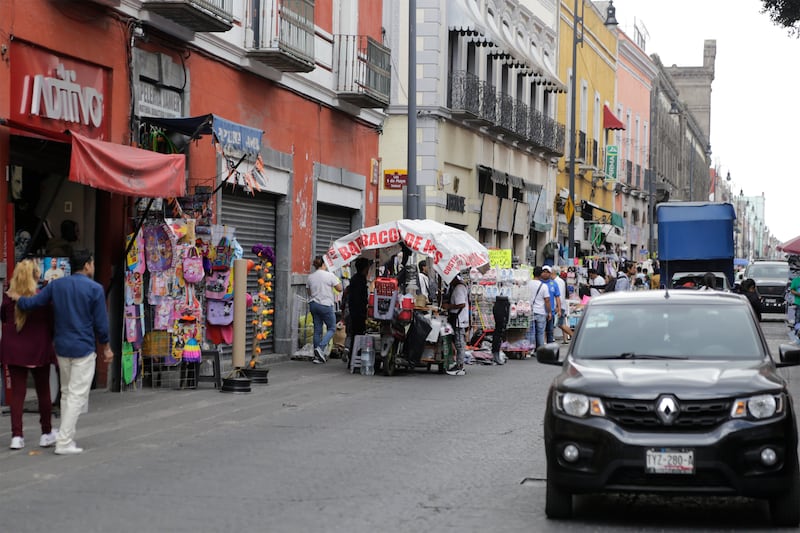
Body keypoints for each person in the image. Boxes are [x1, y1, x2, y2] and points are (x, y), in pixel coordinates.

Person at [14, 249, 113, 455]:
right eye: (92, 263)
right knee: (77, 395)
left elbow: (34, 303)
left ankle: (65, 435)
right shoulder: (95, 289)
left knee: (67, 392)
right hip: (83, 347)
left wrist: (18, 298)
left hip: (61, 346)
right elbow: (101, 325)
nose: (93, 267)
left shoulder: (56, 285)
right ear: (87, 265)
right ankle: (65, 441)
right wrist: (106, 347)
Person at [1, 259, 58, 450]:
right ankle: (46, 433)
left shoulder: (8, 297)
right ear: (35, 276)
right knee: (43, 391)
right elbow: (52, 322)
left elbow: (3, 316)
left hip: (14, 349)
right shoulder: (42, 297)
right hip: (39, 348)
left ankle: (17, 436)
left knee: (18, 394)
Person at [306, 256, 342, 364]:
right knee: (332, 327)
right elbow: (339, 288)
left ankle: (317, 356)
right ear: (324, 264)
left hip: (313, 304)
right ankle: (320, 348)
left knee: (317, 329)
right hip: (325, 305)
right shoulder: (330, 275)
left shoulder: (310, 277)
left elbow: (309, 292)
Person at [442, 274, 469, 376]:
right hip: (458, 317)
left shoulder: (459, 288)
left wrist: (448, 306)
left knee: (459, 342)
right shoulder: (457, 287)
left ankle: (460, 366)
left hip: (459, 318)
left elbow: (461, 304)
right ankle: (458, 364)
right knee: (458, 341)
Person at [345, 257, 370, 360]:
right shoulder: (359, 280)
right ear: (365, 268)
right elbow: (358, 298)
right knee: (357, 334)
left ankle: (353, 356)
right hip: (357, 312)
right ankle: (355, 357)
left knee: (355, 334)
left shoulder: (356, 278)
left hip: (355, 311)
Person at [527, 266, 551, 351]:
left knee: (530, 332)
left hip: (529, 311)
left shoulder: (528, 284)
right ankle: (540, 350)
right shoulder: (543, 286)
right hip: (540, 311)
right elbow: (547, 300)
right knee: (540, 332)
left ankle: (530, 350)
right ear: (541, 274)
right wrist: (549, 312)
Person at [541, 266, 561, 343]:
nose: (545, 274)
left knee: (550, 331)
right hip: (540, 311)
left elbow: (557, 297)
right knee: (540, 332)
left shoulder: (554, 284)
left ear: (550, 273)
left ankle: (549, 347)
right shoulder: (539, 283)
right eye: (544, 272)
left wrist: (559, 309)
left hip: (551, 312)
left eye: (547, 272)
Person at [553, 267, 574, 343]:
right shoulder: (560, 281)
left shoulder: (557, 282)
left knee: (560, 324)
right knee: (561, 324)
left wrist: (557, 307)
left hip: (559, 306)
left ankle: (573, 335)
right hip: (560, 305)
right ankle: (567, 338)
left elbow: (560, 295)